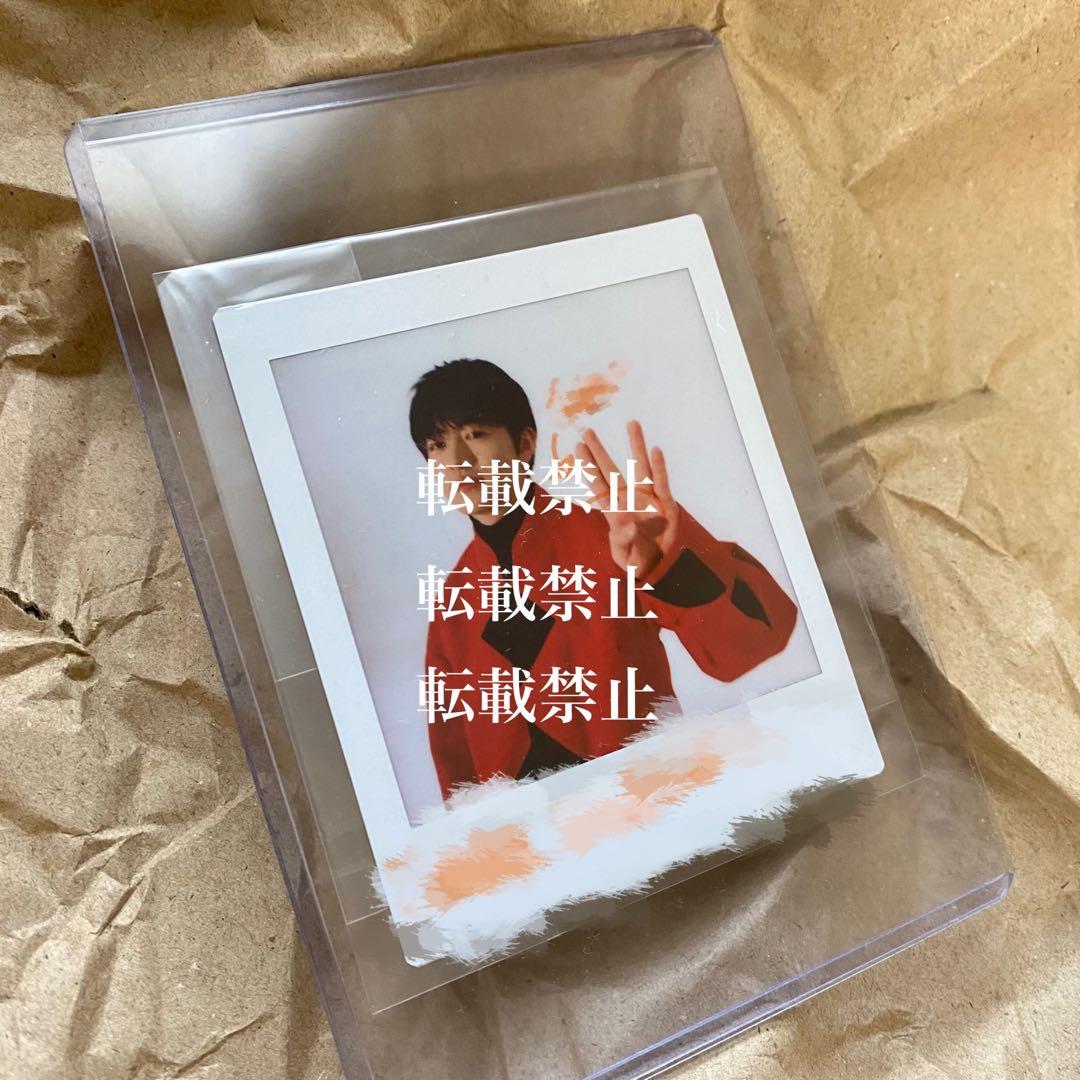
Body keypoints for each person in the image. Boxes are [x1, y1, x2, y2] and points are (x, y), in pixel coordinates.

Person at [410, 358, 798, 800]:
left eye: (475, 435)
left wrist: (669, 561)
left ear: (524, 443)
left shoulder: (613, 538)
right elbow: (457, 769)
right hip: (534, 833)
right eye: (438, 445)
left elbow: (753, 644)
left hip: (649, 803)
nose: (457, 462)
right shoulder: (452, 604)